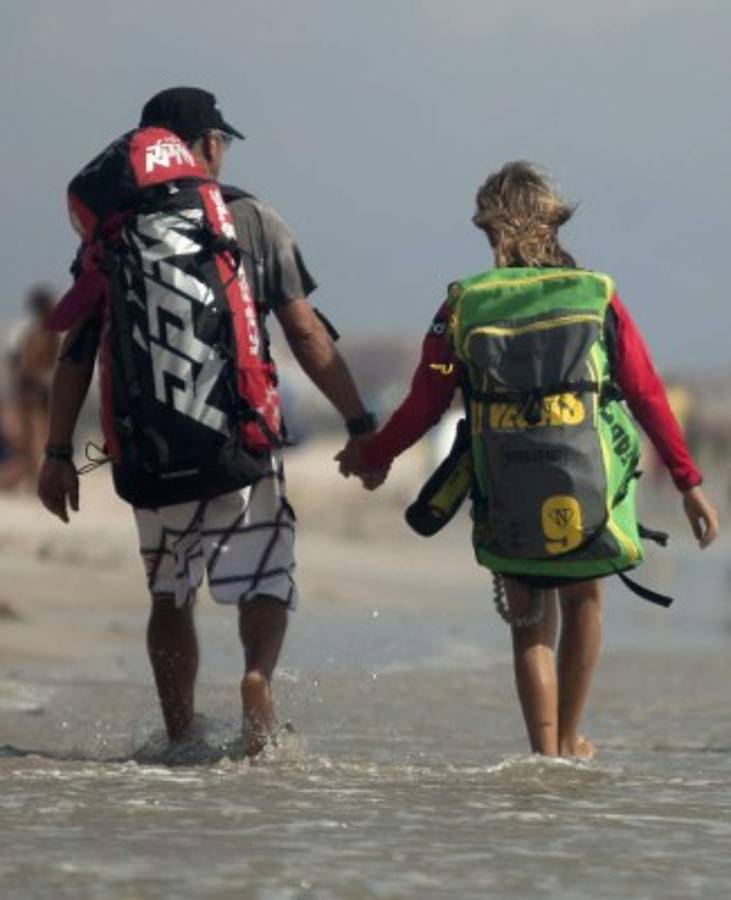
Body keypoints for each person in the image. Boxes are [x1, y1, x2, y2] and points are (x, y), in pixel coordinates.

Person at [338, 161, 719, 759]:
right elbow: (644, 388)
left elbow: (425, 401)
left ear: (492, 229)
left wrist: (374, 456)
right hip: (584, 475)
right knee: (585, 599)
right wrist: (689, 482)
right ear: (552, 222)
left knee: (528, 621)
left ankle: (542, 752)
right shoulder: (596, 295)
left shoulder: (462, 304)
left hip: (507, 480)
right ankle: (570, 741)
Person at [38, 87, 376, 756]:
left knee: (170, 595)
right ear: (210, 144)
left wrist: (54, 453)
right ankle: (255, 678)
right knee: (264, 576)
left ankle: (180, 733)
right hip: (240, 441)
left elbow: (76, 350)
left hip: (151, 443)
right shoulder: (251, 219)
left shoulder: (115, 228)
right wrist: (361, 423)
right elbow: (305, 334)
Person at [8, 286, 59, 490]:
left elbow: (31, 366)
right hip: (32, 392)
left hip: (34, 391)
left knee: (35, 439)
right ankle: (34, 482)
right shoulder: (41, 334)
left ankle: (34, 481)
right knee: (33, 439)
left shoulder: (42, 333)